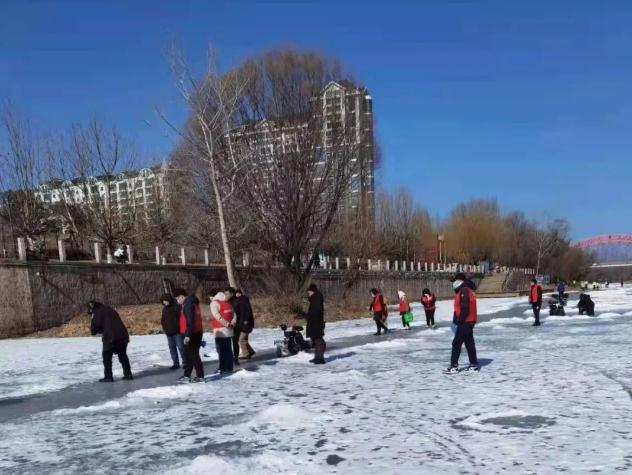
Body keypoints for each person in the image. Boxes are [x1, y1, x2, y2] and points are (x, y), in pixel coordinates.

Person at [89, 301, 133, 382]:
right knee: (123, 356)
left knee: (107, 357)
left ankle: (108, 376)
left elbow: (96, 325)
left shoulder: (97, 311)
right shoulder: (109, 309)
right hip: (123, 335)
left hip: (110, 337)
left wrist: (93, 329)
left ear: (92, 308)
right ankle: (128, 374)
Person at [445, 273, 479, 373]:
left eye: (455, 280)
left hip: (465, 321)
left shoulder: (464, 290)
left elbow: (465, 308)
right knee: (469, 343)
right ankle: (473, 365)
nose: (454, 283)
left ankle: (454, 366)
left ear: (460, 281)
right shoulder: (467, 290)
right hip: (469, 321)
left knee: (456, 343)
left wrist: (459, 320)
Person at [174, 288, 205, 382]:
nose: (177, 300)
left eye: (177, 298)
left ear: (182, 296)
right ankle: (187, 375)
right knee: (189, 355)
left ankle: (200, 376)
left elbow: (190, 321)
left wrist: (188, 335)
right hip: (196, 332)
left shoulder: (188, 305)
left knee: (193, 355)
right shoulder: (193, 303)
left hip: (192, 333)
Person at [295, 283, 326, 364]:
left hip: (316, 323)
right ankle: (317, 357)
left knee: (319, 340)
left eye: (309, 291)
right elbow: (312, 313)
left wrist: (307, 316)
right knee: (315, 340)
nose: (308, 292)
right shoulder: (314, 299)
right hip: (313, 322)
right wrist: (303, 315)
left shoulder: (317, 298)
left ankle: (320, 359)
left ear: (313, 291)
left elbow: (316, 312)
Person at [210, 290, 237, 373]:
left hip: (220, 330)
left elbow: (217, 316)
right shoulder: (228, 303)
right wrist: (232, 323)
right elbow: (234, 315)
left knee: (221, 351)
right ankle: (229, 367)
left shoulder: (214, 303)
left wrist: (226, 324)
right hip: (229, 331)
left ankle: (222, 368)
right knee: (228, 350)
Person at [161, 293, 186, 370]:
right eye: (163, 301)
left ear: (169, 300)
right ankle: (175, 363)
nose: (165, 302)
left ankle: (185, 362)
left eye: (166, 301)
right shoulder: (164, 309)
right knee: (172, 348)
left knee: (181, 347)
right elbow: (163, 320)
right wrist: (165, 328)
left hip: (177, 332)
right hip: (168, 333)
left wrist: (179, 328)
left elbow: (182, 319)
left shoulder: (177, 307)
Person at [233, 288, 256, 361]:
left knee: (241, 339)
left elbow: (246, 312)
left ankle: (246, 354)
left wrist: (245, 320)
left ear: (240, 293)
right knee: (244, 339)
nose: (236, 295)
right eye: (235, 293)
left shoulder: (242, 301)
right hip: (245, 323)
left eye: (237, 293)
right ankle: (250, 352)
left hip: (246, 323)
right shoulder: (242, 300)